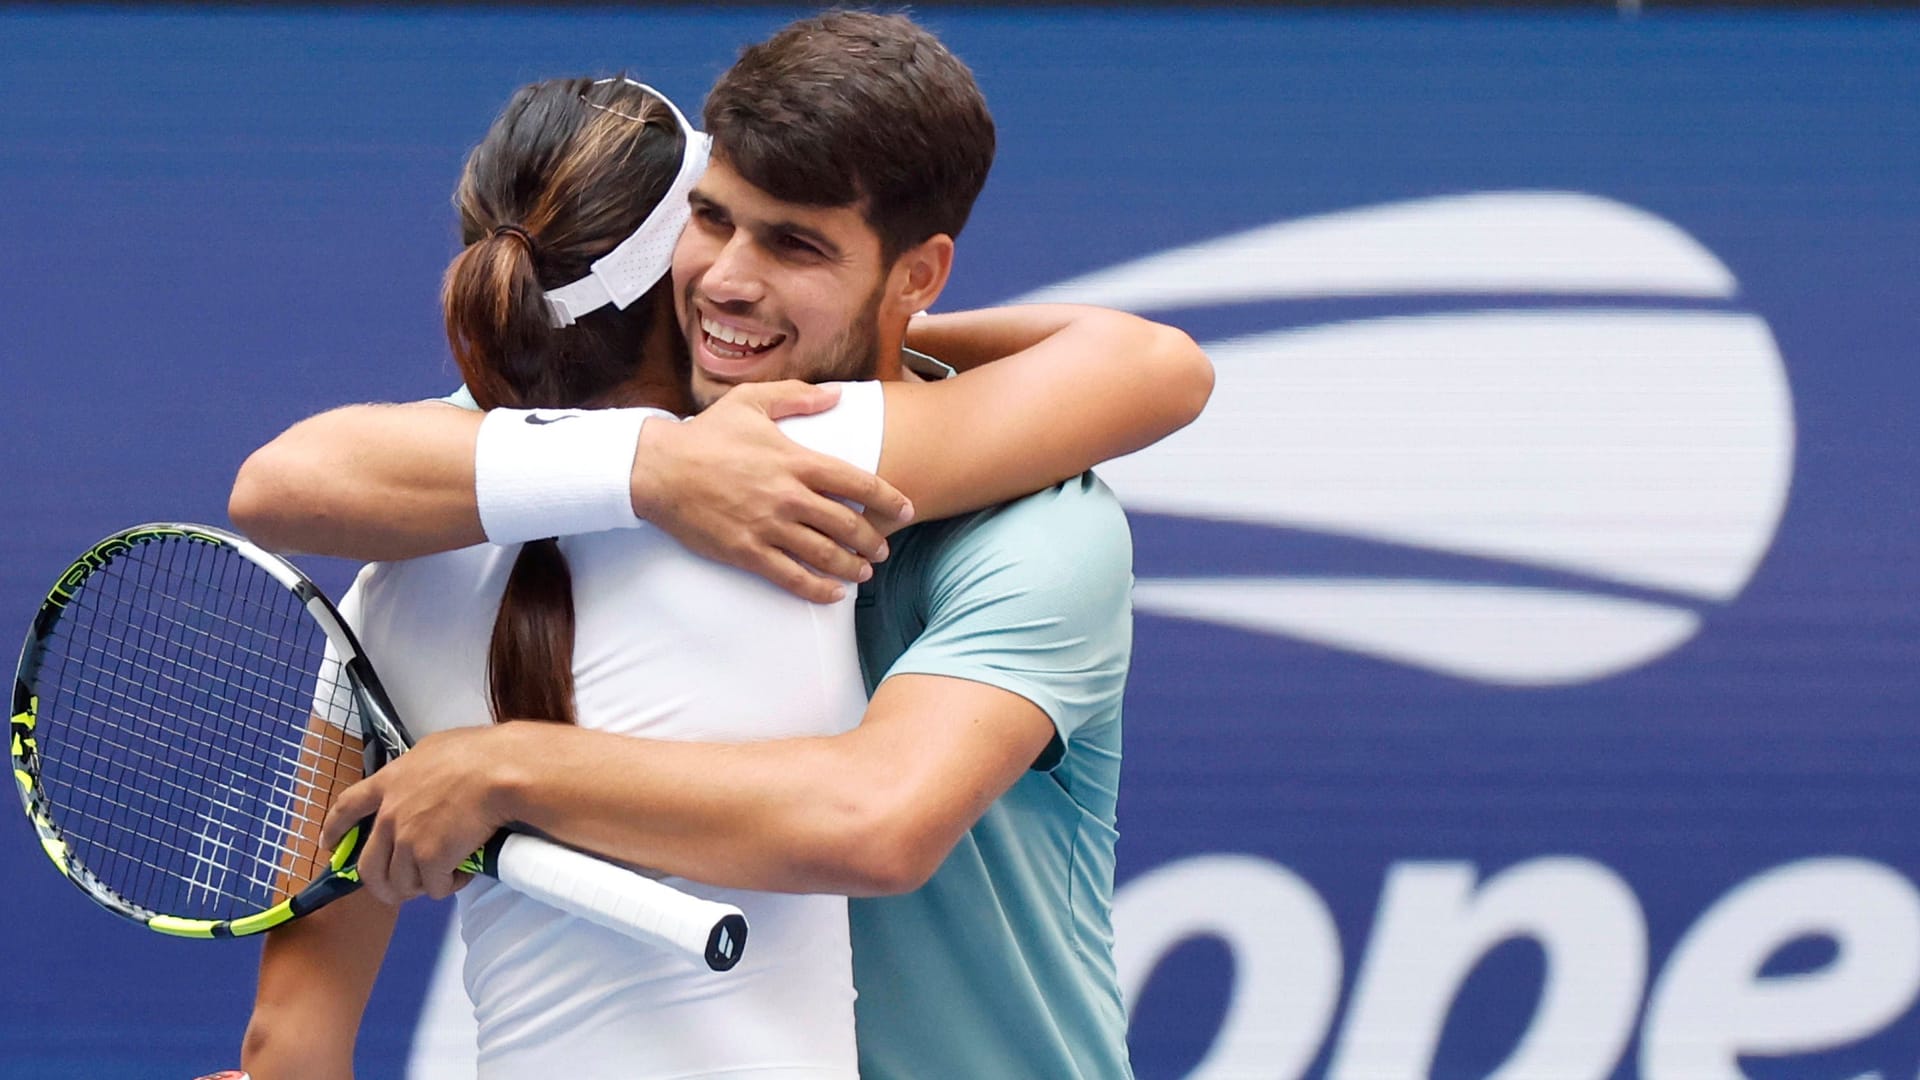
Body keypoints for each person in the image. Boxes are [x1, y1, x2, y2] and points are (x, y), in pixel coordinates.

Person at [236, 13, 1207, 1080]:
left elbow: (875, 820)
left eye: (794, 245)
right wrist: (661, 468)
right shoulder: (539, 474)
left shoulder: (1036, 524)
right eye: (712, 220)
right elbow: (287, 482)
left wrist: (504, 768)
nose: (729, 280)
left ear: (915, 274)